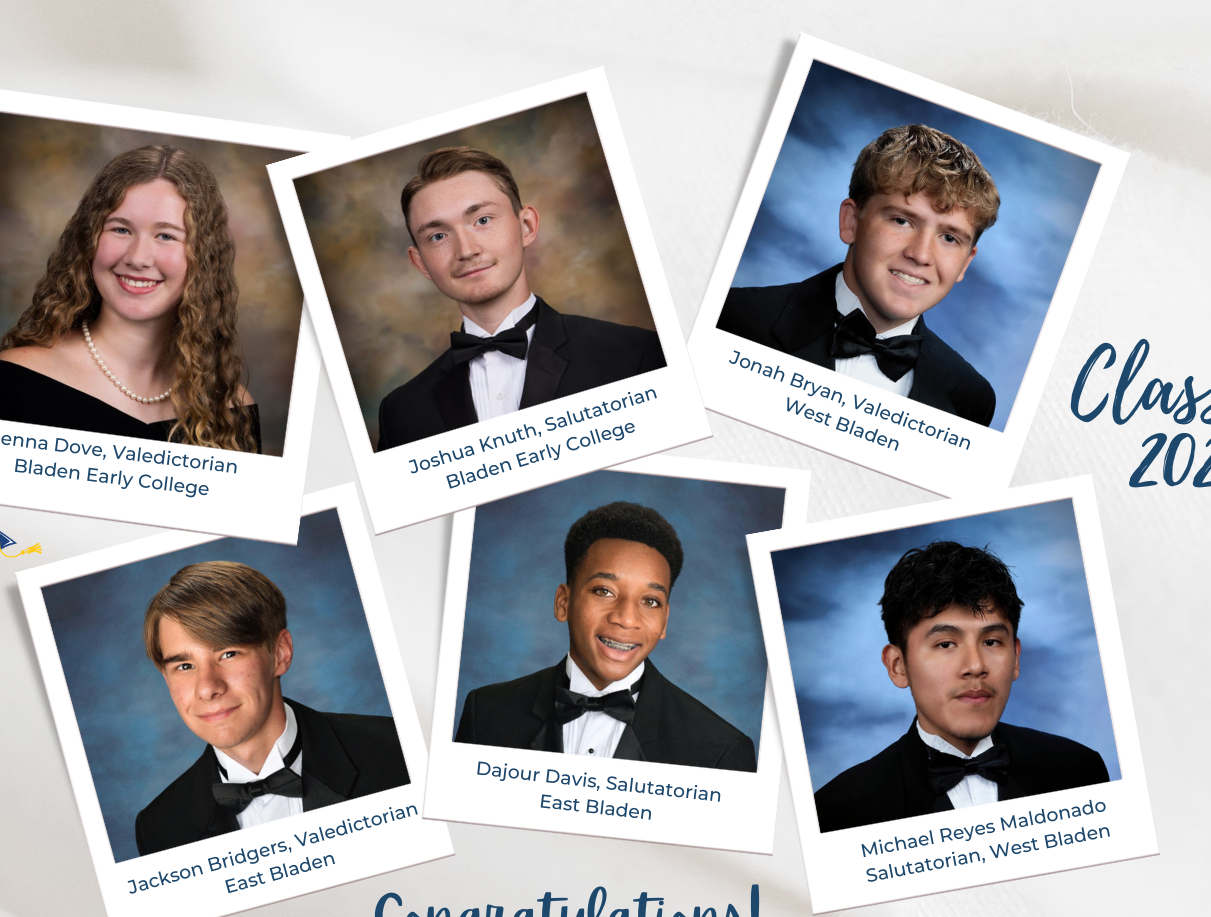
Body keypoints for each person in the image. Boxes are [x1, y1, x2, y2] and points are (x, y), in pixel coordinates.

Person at [0, 144, 261, 452]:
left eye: (166, 236)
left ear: (204, 257)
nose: (138, 258)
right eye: (121, 229)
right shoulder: (13, 380)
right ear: (89, 239)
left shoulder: (231, 409)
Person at [374, 146, 665, 451]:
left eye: (483, 220)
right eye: (438, 236)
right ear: (421, 263)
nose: (466, 250)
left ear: (526, 226)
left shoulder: (637, 356)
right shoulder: (400, 413)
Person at [812, 541, 1107, 834]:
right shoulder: (838, 811)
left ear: (1016, 657)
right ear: (897, 665)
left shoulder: (1079, 771)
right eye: (946, 644)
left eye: (991, 641)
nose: (975, 665)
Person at [719, 124, 1000, 427]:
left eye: (949, 238)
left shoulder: (971, 399)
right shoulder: (733, 319)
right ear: (851, 221)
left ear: (965, 264)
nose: (921, 255)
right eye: (902, 221)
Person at [131, 561, 407, 857]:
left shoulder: (398, 753)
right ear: (165, 677)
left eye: (228, 653)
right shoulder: (159, 828)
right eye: (184, 666)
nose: (207, 688)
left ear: (280, 654)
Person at [452, 502, 754, 771]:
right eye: (604, 591)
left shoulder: (721, 753)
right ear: (563, 603)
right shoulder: (486, 713)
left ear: (664, 622)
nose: (625, 618)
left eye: (650, 601)